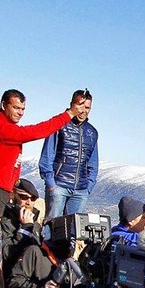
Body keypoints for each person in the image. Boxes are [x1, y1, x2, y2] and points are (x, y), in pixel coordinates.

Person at [0, 89, 90, 217]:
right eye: (16, 108)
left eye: (23, 109)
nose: (20, 113)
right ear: (3, 105)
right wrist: (69, 114)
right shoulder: (1, 128)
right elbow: (37, 131)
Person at [39, 89, 99, 219]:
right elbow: (47, 157)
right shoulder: (59, 125)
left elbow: (93, 163)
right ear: (73, 104)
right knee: (51, 227)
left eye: (87, 107)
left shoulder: (92, 132)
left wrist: (88, 187)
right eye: (80, 106)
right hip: (59, 185)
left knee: (73, 230)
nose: (83, 111)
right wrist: (51, 184)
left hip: (81, 190)